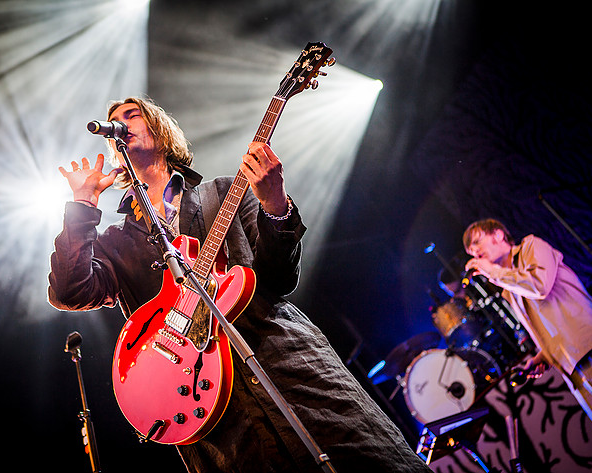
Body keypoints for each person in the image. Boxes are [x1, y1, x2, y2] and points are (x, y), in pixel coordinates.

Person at [48, 96, 431, 472]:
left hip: (288, 367)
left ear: (161, 132)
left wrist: (275, 205)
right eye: (116, 120)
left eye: (132, 115)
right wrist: (82, 207)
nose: (122, 123)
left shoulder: (224, 192)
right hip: (209, 411)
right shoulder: (115, 241)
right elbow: (70, 292)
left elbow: (281, 278)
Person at [463, 218, 592, 463]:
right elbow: (545, 325)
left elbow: (540, 285)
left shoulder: (532, 246)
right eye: (470, 251)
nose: (475, 252)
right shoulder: (509, 290)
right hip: (573, 370)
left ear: (498, 235)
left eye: (477, 242)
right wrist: (543, 355)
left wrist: (495, 273)